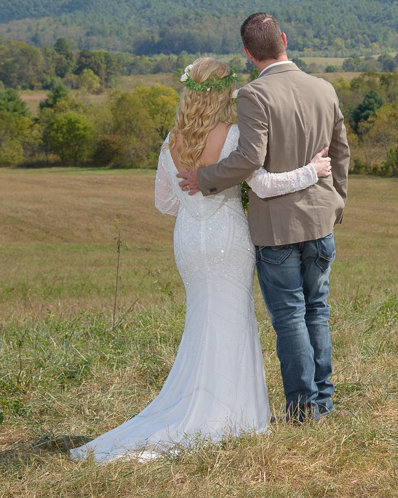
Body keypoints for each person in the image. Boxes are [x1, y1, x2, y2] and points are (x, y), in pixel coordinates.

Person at [71, 57, 331, 463]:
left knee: (202, 321)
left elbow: (164, 202)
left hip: (189, 240)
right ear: (226, 92)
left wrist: (195, 210)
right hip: (228, 239)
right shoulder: (233, 135)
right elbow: (262, 185)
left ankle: (203, 402)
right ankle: (234, 413)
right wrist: (312, 170)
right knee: (231, 320)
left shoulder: (173, 139)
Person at [179, 13, 349, 422]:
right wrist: (336, 201)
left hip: (277, 228)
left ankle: (303, 409)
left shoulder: (254, 95)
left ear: (247, 53)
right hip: (321, 222)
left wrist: (204, 178)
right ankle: (322, 403)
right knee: (318, 311)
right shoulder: (324, 88)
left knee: (290, 316)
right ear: (284, 40)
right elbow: (340, 150)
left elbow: (249, 158)